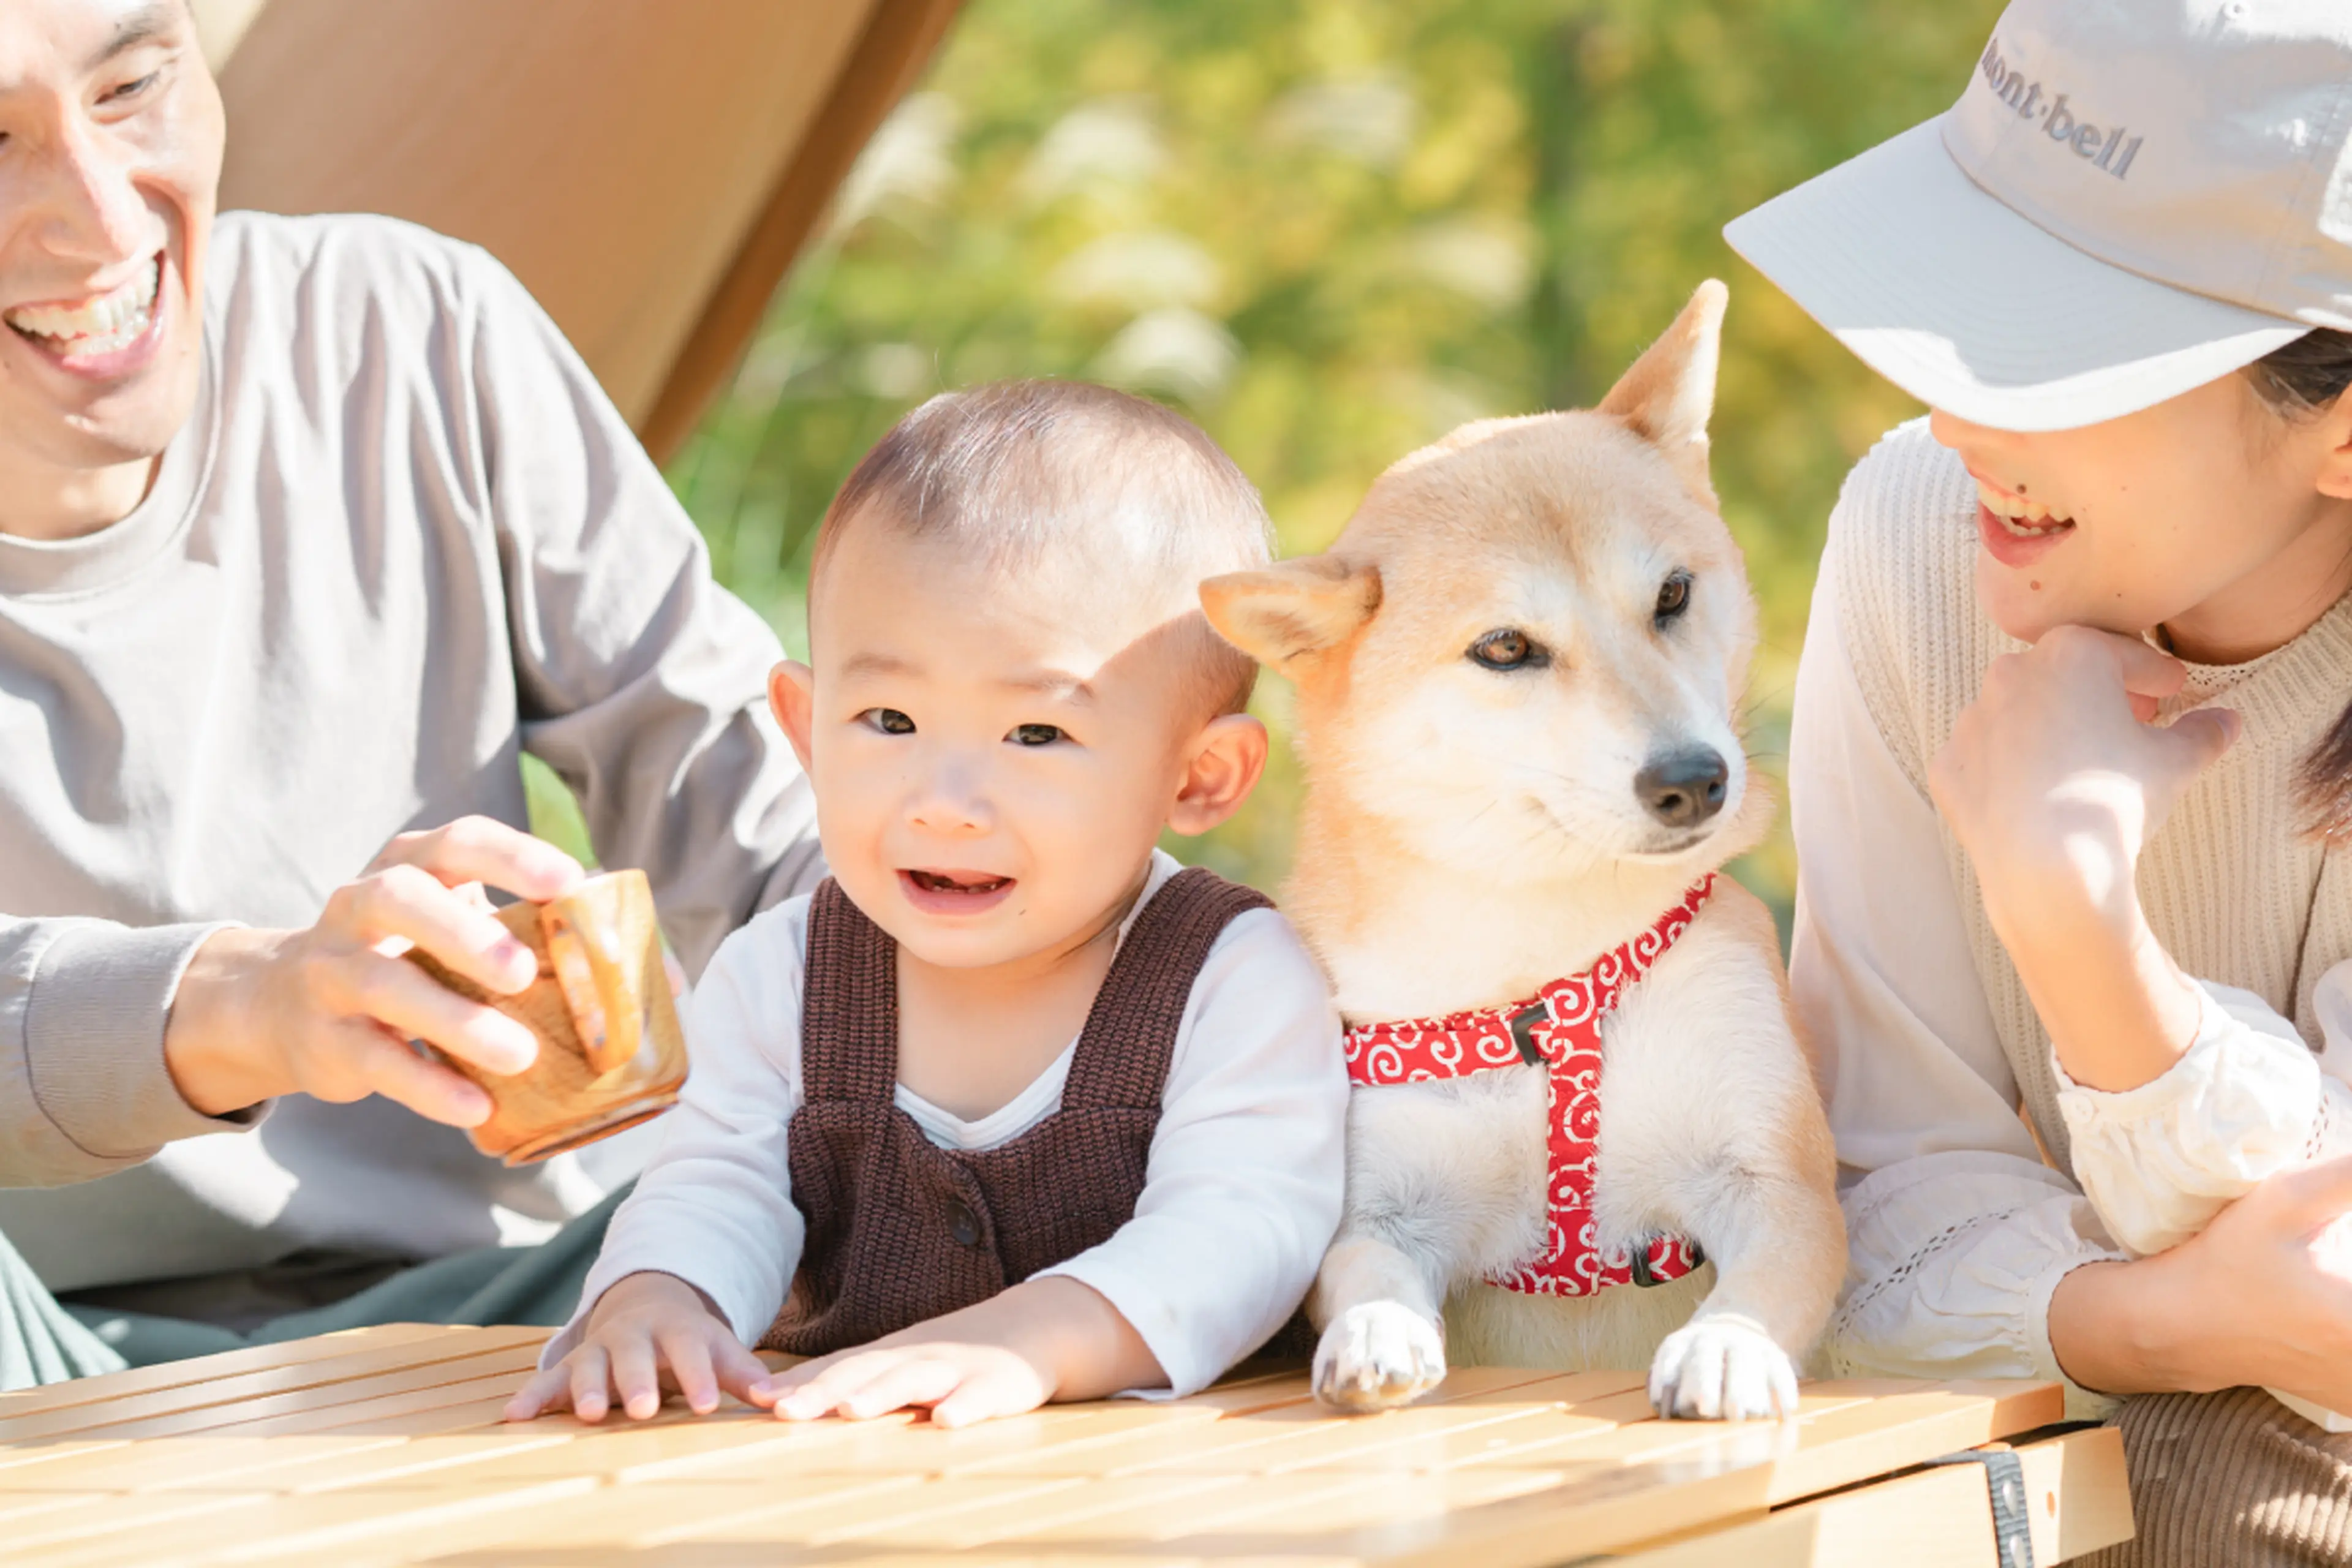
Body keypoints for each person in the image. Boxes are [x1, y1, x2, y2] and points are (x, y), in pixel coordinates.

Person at [0, 0, 819, 1384]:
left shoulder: (412, 326)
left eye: (133, 83)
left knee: (884, 1184)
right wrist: (240, 1001)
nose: (98, 216)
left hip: (542, 1290)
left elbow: (762, 818)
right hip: (43, 1347)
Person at [1724, 2, 2352, 1561]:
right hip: (2057, 1407)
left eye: (2061, 351)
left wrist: (2075, 915)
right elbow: (1875, 1213)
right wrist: (2161, 1321)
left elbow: (2325, 1305)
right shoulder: (1922, 526)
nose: (1954, 414)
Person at [508, 382, 1348, 1429]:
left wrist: (1029, 1341)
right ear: (806, 728)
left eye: (1036, 735)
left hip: (1160, 1493)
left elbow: (1248, 1221)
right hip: (842, 1482)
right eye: (889, 718)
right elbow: (713, 1184)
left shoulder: (1232, 976)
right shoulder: (783, 975)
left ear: (1201, 775)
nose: (945, 805)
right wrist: (659, 1297)